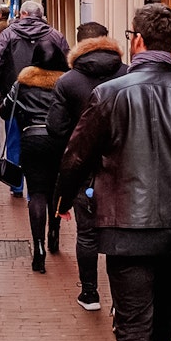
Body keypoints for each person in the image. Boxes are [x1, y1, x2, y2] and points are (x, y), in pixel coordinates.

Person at [55, 4, 171, 341]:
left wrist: (63, 200)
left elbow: (75, 155)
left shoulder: (109, 94)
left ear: (138, 41)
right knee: (164, 319)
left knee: (132, 325)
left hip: (125, 229)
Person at [47, 21, 127, 311]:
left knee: (87, 233)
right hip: (123, 165)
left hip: (84, 169)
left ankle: (90, 294)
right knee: (121, 232)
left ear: (78, 44)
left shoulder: (68, 81)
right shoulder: (129, 74)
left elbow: (55, 128)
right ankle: (121, 300)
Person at [0, 1, 69, 198]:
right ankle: (37, 185)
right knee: (43, 138)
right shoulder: (54, 35)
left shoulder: (8, 34)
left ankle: (16, 184)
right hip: (47, 97)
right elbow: (67, 62)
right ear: (40, 15)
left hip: (14, 97)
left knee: (14, 141)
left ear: (22, 14)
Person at [1, 42, 68, 273]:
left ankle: (38, 248)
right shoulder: (66, 83)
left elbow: (4, 110)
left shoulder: (22, 83)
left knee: (37, 193)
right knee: (55, 190)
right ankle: (54, 233)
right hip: (59, 141)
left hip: (32, 139)